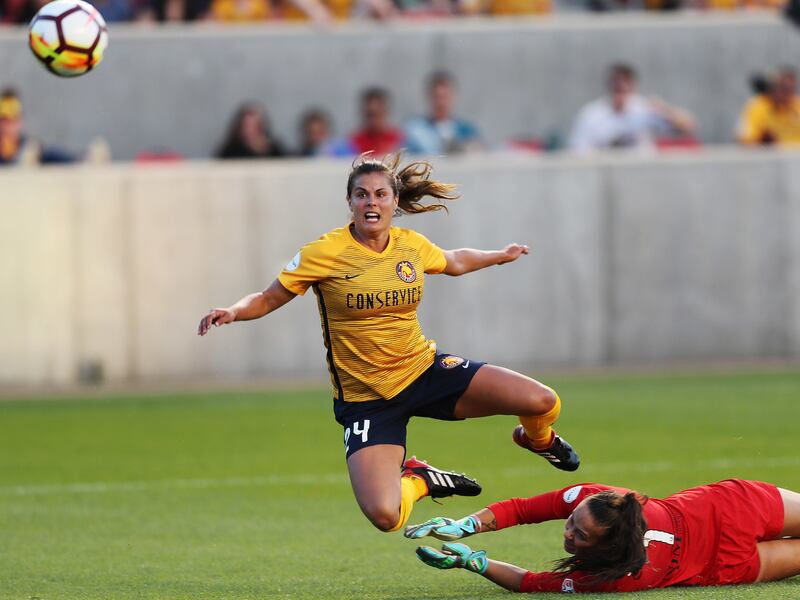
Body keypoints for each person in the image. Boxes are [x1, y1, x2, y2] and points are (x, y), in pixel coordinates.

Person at [197, 153, 580, 534]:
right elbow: (266, 298)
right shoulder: (323, 253)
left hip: (423, 371)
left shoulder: (409, 245)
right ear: (349, 202)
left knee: (542, 401)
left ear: (395, 202)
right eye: (362, 195)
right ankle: (419, 478)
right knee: (386, 516)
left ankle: (539, 441)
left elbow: (454, 260)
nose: (371, 203)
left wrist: (499, 256)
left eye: (381, 194)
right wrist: (233, 310)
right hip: (367, 399)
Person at [407, 478, 800, 593]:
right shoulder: (599, 501)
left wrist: (474, 562)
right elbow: (524, 509)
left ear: (610, 544)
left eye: (579, 534)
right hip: (730, 557)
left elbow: (531, 583)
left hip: (734, 509)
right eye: (571, 522)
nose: (569, 533)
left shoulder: (615, 576)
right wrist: (467, 527)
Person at [568, 63, 696, 153]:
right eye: (617, 87)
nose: (621, 90)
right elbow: (578, 151)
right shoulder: (591, 114)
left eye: (626, 86)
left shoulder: (645, 109)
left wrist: (665, 111)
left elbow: (688, 127)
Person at [405, 71, 482, 155]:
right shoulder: (414, 131)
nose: (440, 103)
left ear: (453, 96)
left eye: (444, 97)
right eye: (437, 97)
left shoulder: (467, 130)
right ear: (428, 97)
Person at [0, 87, 74, 165]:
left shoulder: (31, 150)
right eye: (4, 120)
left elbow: (60, 158)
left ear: (20, 121)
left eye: (13, 120)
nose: (8, 126)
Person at [737, 66, 800, 147]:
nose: (788, 94)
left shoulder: (797, 105)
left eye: (792, 89)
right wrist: (761, 139)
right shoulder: (758, 106)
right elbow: (744, 138)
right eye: (784, 88)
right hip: (768, 157)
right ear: (772, 87)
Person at [216, 102, 289, 159]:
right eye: (246, 126)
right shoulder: (232, 150)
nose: (249, 130)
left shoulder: (273, 148)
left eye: (254, 126)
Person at [349, 88, 404, 156]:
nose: (373, 121)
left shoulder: (399, 139)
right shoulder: (354, 142)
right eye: (370, 115)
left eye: (377, 115)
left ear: (386, 111)